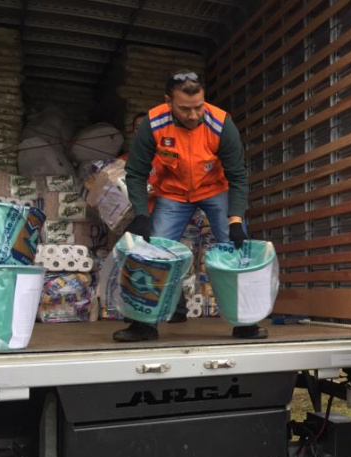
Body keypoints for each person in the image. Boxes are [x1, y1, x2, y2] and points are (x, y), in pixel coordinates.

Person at [114, 69, 267, 342]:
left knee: (236, 251)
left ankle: (246, 324)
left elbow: (238, 176)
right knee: (153, 252)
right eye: (185, 109)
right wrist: (140, 214)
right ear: (168, 102)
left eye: (199, 107)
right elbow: (136, 173)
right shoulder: (153, 123)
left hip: (215, 189)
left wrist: (235, 221)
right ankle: (143, 326)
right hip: (172, 193)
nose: (194, 115)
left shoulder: (221, 124)